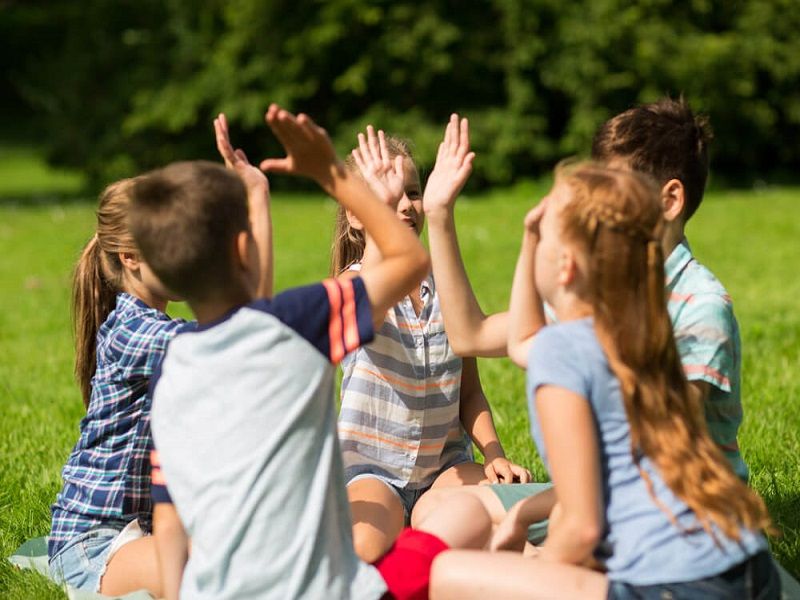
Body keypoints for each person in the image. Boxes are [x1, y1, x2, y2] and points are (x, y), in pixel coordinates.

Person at [138, 105, 491, 600]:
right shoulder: (298, 323)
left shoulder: (170, 370)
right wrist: (333, 175)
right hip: (333, 584)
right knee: (469, 524)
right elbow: (409, 262)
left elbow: (169, 519)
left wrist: (257, 197)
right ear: (245, 248)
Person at [430, 162, 779, 599]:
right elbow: (523, 338)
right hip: (747, 568)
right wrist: (532, 238)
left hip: (680, 587)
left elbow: (582, 528)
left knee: (448, 574)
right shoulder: (641, 329)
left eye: (544, 234)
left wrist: (537, 568)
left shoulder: (561, 352)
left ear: (566, 267)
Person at [416, 99, 748, 533]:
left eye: (613, 189)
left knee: (453, 529)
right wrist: (439, 215)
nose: (593, 207)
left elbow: (658, 457)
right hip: (599, 497)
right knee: (435, 508)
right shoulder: (600, 290)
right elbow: (472, 336)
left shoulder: (700, 306)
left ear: (670, 200)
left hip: (671, 521)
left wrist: (539, 513)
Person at [46, 120, 270, 597]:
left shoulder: (154, 324)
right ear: (131, 257)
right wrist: (257, 203)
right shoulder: (137, 331)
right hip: (94, 541)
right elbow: (246, 337)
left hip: (150, 527)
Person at [335, 124, 530, 563]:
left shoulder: (448, 294)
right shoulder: (353, 286)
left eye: (412, 192)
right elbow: (371, 303)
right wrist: (381, 219)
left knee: (519, 517)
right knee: (361, 550)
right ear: (354, 214)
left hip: (444, 469)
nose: (405, 205)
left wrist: (495, 454)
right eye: (387, 195)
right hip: (371, 473)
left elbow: (470, 392)